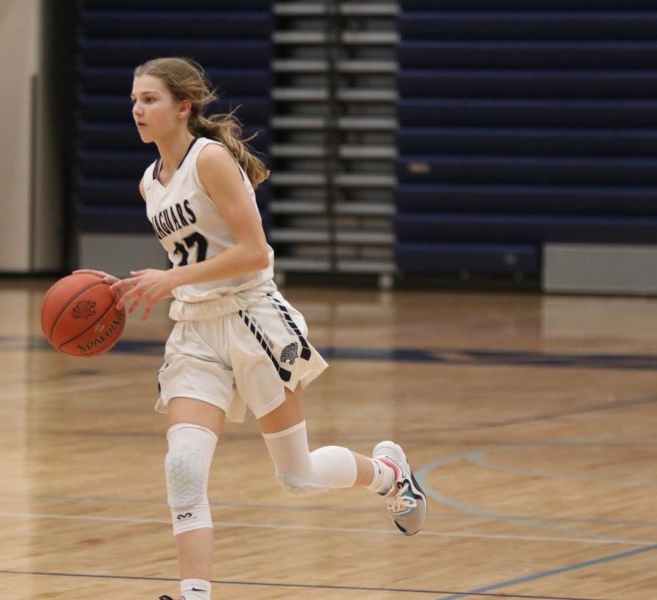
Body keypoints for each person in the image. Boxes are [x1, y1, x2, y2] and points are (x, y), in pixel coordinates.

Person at [76, 57, 426, 600]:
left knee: (298, 476)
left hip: (252, 320)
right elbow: (188, 258)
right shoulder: (150, 182)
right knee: (184, 465)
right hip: (194, 329)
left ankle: (389, 474)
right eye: (133, 101)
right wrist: (135, 288)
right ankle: (195, 594)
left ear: (183, 106)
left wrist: (170, 279)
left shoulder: (210, 159)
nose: (137, 110)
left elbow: (253, 252)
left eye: (149, 99)